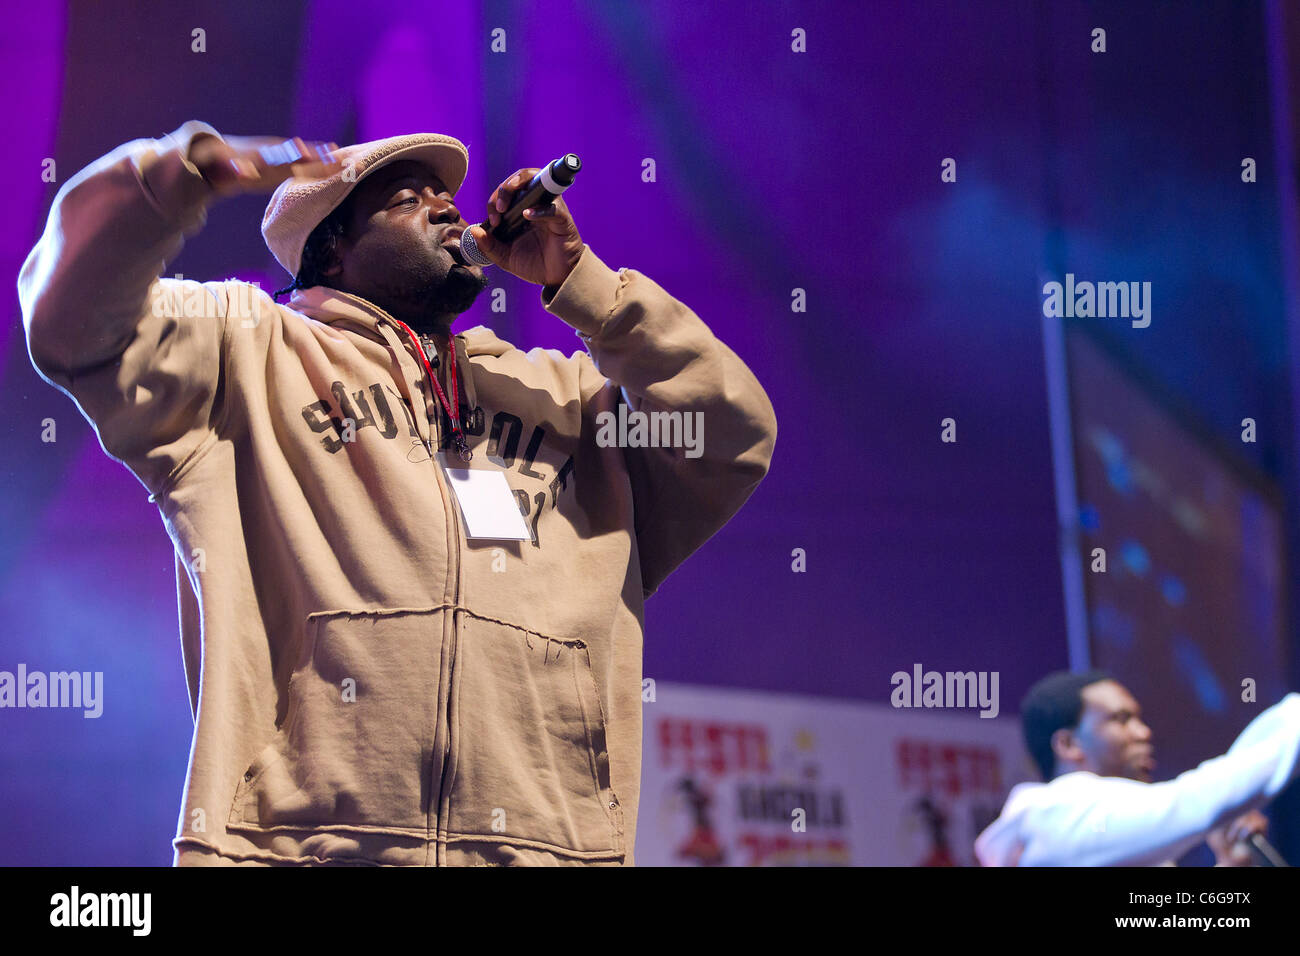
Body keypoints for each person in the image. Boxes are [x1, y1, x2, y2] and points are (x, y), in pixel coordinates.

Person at [18, 122, 777, 866]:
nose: (448, 208)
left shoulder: (569, 398)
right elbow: (72, 322)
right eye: (407, 199)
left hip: (547, 851)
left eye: (447, 195)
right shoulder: (246, 352)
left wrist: (584, 284)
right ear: (334, 250)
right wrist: (174, 179)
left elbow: (733, 432)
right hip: (296, 850)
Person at [975, 670, 1300, 866]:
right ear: (1069, 745)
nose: (1143, 733)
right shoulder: (1053, 817)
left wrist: (1230, 865)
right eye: (1120, 719)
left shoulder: (1103, 834)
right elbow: (1193, 803)